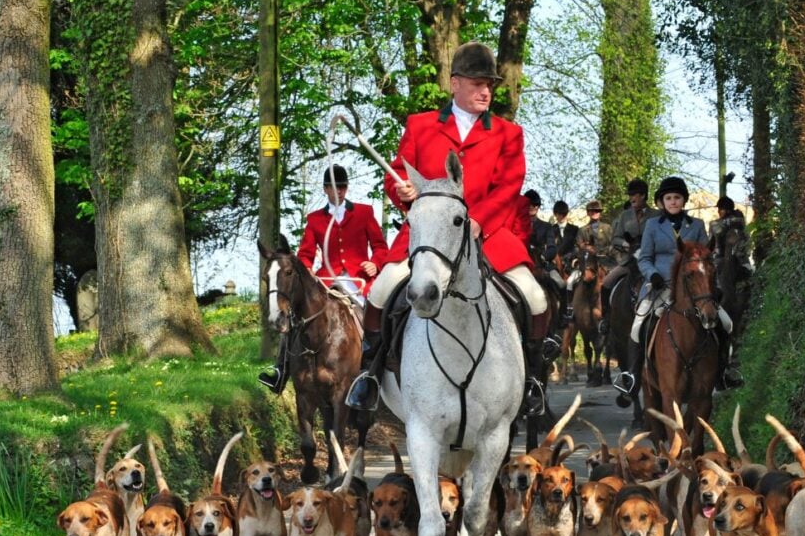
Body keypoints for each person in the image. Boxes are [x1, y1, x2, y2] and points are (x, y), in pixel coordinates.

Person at [345, 41, 556, 417]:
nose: (486, 91)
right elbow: (396, 176)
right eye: (477, 83)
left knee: (535, 296)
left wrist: (479, 221)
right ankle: (371, 375)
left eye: (489, 84)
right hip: (428, 237)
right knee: (380, 290)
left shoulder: (509, 133)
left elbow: (509, 186)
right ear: (455, 83)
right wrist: (403, 192)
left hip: (486, 233)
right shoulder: (420, 126)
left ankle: (533, 380)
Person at [258, 164, 388, 393]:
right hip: (326, 281)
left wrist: (374, 263)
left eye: (342, 187)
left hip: (357, 282)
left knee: (373, 317)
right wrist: (307, 272)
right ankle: (280, 370)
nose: (339, 192)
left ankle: (375, 369)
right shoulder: (315, 219)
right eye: (333, 187)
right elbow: (306, 255)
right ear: (325, 189)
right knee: (298, 318)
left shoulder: (364, 213)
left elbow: (380, 247)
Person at [612, 175, 708, 395]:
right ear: (661, 202)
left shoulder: (697, 225)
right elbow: (644, 258)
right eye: (668, 198)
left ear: (684, 201)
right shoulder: (653, 225)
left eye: (677, 198)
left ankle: (723, 372)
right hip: (660, 284)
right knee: (637, 325)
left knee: (723, 321)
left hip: (693, 287)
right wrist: (652, 274)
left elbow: (706, 257)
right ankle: (633, 377)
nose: (673, 201)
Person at [709, 195, 750, 389]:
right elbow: (717, 233)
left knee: (748, 272)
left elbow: (739, 233)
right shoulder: (716, 225)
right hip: (719, 263)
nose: (720, 212)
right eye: (720, 209)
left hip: (739, 262)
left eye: (722, 209)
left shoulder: (738, 223)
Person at [601, 178, 652, 293]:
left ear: (643, 195)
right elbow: (615, 238)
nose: (631, 198)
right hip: (629, 261)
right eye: (630, 195)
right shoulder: (625, 215)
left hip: (651, 260)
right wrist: (625, 243)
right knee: (606, 282)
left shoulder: (656, 215)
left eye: (633, 195)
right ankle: (606, 311)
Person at [564, 199, 609, 320]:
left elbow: (612, 246)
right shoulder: (582, 230)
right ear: (588, 213)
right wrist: (577, 258)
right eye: (592, 211)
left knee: (612, 282)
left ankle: (610, 311)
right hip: (587, 264)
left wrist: (600, 252)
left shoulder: (608, 228)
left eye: (597, 211)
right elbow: (578, 246)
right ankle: (570, 311)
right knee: (570, 282)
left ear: (600, 212)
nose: (595, 213)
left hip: (605, 264)